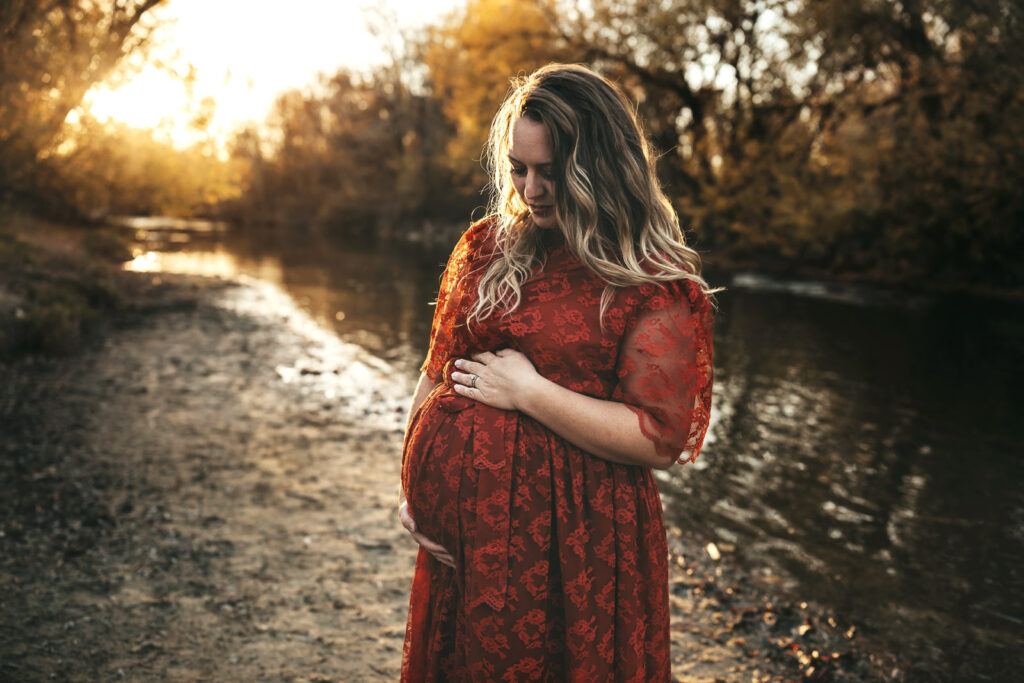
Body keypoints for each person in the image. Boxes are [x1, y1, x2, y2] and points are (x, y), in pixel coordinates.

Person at [398, 63, 715, 681]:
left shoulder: (653, 281)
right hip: (466, 547)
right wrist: (414, 491)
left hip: (581, 547)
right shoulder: (485, 247)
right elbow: (437, 373)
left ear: (600, 166)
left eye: (552, 171)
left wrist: (529, 393)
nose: (530, 189)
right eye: (518, 169)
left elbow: (659, 436)